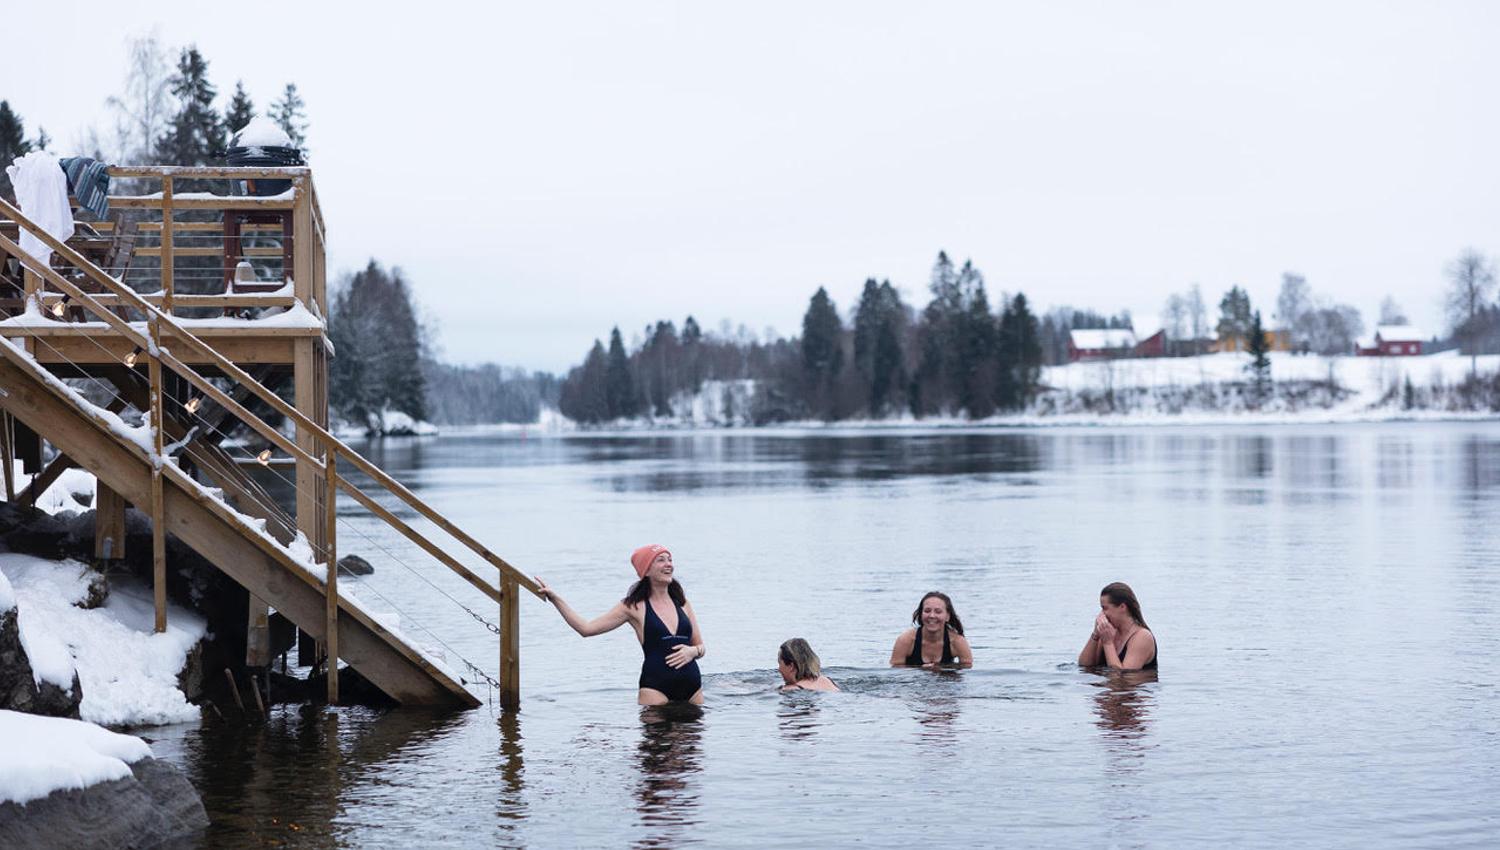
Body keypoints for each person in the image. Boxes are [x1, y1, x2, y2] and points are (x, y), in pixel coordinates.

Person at [535, 544, 706, 705]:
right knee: (656, 736)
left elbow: (700, 646)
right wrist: (555, 599)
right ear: (646, 570)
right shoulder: (633, 606)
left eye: (669, 559)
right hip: (656, 689)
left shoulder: (683, 603)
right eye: (661, 560)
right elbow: (586, 629)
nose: (668, 564)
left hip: (693, 690)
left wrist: (693, 651)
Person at [1078, 581, 1157, 671]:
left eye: (1105, 608)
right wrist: (1095, 634)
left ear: (1122, 607)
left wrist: (1108, 643)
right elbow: (1084, 667)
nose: (1102, 614)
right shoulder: (1108, 631)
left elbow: (1121, 679)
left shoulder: (1142, 637)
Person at [889, 591, 973, 667]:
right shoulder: (905, 640)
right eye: (927, 611)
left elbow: (967, 669)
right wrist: (921, 670)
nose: (932, 615)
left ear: (947, 616)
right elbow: (896, 671)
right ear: (921, 614)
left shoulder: (957, 641)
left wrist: (942, 669)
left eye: (938, 611)